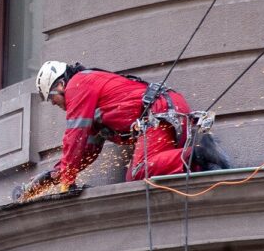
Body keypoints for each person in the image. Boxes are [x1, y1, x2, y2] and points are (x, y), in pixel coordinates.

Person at [13, 61, 231, 201]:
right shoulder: (93, 103)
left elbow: (75, 135)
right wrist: (51, 178)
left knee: (138, 171)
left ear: (60, 84)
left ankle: (201, 151)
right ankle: (203, 162)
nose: (57, 105)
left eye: (52, 98)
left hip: (158, 110)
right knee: (153, 165)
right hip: (167, 109)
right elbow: (84, 151)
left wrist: (66, 183)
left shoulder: (78, 84)